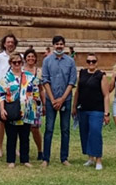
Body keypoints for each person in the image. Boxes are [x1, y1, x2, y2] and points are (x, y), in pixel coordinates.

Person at [0, 53, 41, 167]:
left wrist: (37, 107)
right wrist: (2, 109)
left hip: (26, 112)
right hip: (11, 111)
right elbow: (1, 95)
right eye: (14, 62)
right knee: (11, 136)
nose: (17, 64)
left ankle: (25, 159)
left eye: (19, 62)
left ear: (22, 63)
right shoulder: (5, 78)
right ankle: (11, 160)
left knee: (25, 136)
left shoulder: (30, 77)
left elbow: (36, 91)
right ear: (10, 64)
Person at [41, 35, 77, 167]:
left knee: (65, 129)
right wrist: (53, 99)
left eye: (61, 44)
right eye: (57, 44)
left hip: (65, 99)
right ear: (53, 46)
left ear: (64, 45)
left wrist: (61, 99)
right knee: (49, 129)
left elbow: (72, 81)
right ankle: (46, 158)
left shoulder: (70, 61)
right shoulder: (47, 61)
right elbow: (45, 80)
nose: (59, 46)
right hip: (51, 99)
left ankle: (64, 157)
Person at [72, 53, 109, 170]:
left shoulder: (101, 75)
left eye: (93, 61)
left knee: (95, 132)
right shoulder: (82, 73)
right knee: (85, 133)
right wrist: (74, 106)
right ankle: (90, 158)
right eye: (89, 61)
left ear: (97, 63)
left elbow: (106, 95)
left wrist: (106, 113)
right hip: (83, 108)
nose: (91, 63)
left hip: (97, 109)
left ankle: (98, 159)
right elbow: (78, 91)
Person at [23, 47, 45, 161]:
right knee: (23, 129)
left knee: (35, 129)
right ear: (25, 59)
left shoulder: (39, 72)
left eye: (32, 56)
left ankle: (40, 150)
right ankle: (24, 152)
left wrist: (44, 104)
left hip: (35, 103)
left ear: (35, 59)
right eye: (28, 57)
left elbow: (41, 89)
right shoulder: (21, 71)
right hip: (23, 103)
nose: (30, 58)